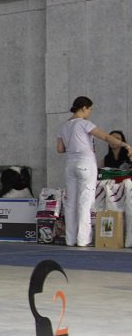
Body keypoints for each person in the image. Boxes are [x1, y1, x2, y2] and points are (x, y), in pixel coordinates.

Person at [56, 96, 131, 247]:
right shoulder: (84, 123)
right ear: (84, 108)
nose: (90, 112)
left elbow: (60, 149)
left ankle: (70, 239)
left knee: (71, 202)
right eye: (90, 109)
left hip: (70, 165)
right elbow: (105, 137)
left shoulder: (63, 126)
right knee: (85, 201)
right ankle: (83, 239)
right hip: (85, 163)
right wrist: (126, 145)